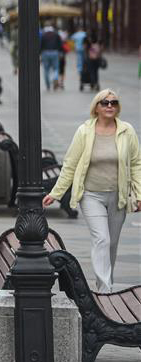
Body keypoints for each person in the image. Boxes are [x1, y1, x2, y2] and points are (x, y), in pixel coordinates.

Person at [43, 90, 141, 292]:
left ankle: (105, 281)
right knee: (102, 239)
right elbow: (70, 164)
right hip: (91, 195)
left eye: (114, 102)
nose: (110, 106)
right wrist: (56, 193)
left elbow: (136, 164)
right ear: (96, 106)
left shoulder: (127, 131)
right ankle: (105, 290)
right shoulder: (84, 132)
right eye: (105, 102)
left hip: (118, 195)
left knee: (111, 244)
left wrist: (139, 194)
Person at [40, 23, 63, 91]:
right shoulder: (56, 35)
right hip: (54, 52)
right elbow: (60, 44)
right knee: (56, 68)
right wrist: (60, 52)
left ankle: (48, 85)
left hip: (45, 53)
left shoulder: (43, 35)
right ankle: (55, 78)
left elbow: (40, 45)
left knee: (46, 70)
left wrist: (40, 54)